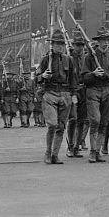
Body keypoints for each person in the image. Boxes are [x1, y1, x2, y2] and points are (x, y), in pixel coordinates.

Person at [36, 29, 78, 164]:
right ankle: (47, 153)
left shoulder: (69, 60)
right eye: (57, 44)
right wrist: (42, 76)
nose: (60, 46)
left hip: (65, 94)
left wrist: (74, 94)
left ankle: (55, 155)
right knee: (52, 125)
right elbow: (35, 78)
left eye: (62, 44)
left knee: (61, 126)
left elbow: (73, 79)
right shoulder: (45, 60)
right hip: (50, 93)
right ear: (52, 45)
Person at [81, 27, 109, 163]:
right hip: (93, 90)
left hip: (108, 91)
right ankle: (92, 152)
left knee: (105, 122)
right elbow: (84, 78)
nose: (106, 43)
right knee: (95, 121)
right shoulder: (89, 57)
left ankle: (98, 151)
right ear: (97, 42)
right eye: (103, 40)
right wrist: (93, 74)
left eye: (107, 40)